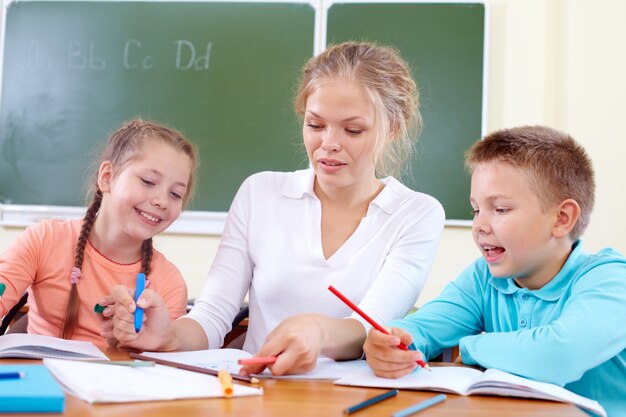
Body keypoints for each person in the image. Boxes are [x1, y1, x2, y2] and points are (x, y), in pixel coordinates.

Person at [102, 41, 445, 375]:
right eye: (315, 124)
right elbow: (214, 315)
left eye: (352, 130)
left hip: (354, 400)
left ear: (393, 128)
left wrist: (318, 331)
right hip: (258, 393)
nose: (329, 144)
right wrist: (168, 336)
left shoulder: (417, 215)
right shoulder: (260, 192)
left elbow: (372, 324)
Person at [363, 126, 626, 417]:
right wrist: (392, 342)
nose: (479, 225)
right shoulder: (484, 278)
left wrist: (473, 347)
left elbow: (562, 354)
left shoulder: (610, 279)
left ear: (561, 219)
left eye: (499, 209)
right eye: (476, 210)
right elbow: (422, 328)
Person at [0, 119, 198, 343]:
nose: (162, 201)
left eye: (175, 194)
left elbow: (161, 363)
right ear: (107, 177)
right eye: (148, 181)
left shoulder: (169, 282)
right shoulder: (45, 239)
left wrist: (130, 341)